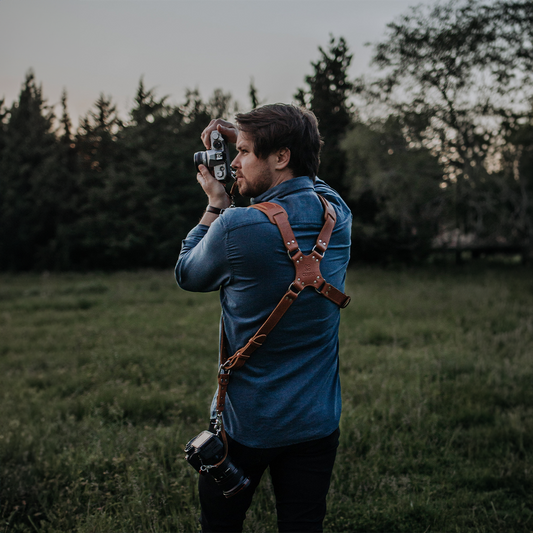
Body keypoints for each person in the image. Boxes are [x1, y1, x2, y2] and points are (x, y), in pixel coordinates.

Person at [175, 103, 352, 533]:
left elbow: (187, 271)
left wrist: (216, 203)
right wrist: (255, 139)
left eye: (246, 151)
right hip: (317, 421)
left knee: (221, 524)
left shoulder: (236, 227)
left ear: (281, 157)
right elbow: (313, 181)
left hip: (248, 426)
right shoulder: (338, 215)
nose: (234, 162)